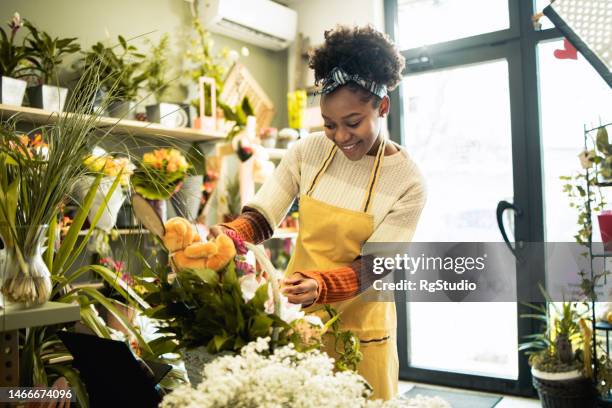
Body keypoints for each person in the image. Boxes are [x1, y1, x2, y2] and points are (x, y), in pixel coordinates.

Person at [210, 25, 426, 400]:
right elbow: (262, 217)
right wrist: (229, 237)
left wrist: (323, 286)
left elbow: (375, 266)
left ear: (383, 106)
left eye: (353, 122)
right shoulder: (306, 152)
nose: (341, 136)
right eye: (329, 124)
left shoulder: (408, 181)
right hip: (299, 319)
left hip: (363, 330)